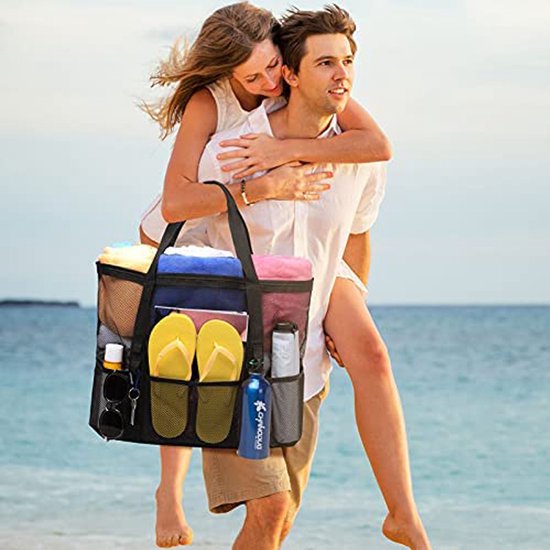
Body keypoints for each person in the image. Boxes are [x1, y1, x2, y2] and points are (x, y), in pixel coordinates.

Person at [142, 3, 431, 550]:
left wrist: (346, 311)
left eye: (347, 61)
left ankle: (402, 514)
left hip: (304, 363)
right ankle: (169, 490)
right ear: (295, 74)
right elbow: (169, 221)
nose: (340, 74)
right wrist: (259, 187)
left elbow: (357, 232)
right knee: (270, 508)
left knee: (275, 524)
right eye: (324, 63)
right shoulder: (230, 145)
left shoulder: (358, 155)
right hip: (233, 359)